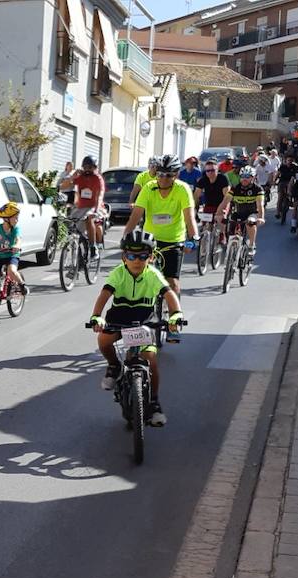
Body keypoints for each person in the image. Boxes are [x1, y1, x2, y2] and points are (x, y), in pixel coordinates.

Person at [88, 226, 183, 428]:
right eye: (131, 255)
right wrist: (97, 316)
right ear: (124, 257)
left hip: (144, 321)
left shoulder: (153, 275)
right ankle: (114, 365)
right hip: (118, 318)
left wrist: (176, 314)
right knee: (103, 341)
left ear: (150, 257)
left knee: (151, 360)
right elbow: (104, 295)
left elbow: (169, 294)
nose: (137, 260)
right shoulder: (118, 273)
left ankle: (154, 403)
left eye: (142, 256)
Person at [121, 154, 197, 302]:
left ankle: (174, 316)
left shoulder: (183, 189)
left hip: (173, 240)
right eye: (160, 174)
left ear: (176, 175)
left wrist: (193, 238)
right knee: (139, 275)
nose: (163, 179)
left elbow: (190, 218)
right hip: (150, 240)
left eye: (169, 175)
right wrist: (125, 238)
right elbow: (135, 216)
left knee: (172, 281)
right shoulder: (149, 188)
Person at [221, 166, 266, 258]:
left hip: (252, 213)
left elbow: (260, 205)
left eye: (247, 176)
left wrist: (261, 217)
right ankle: (232, 251)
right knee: (231, 227)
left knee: (250, 222)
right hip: (239, 213)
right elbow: (225, 202)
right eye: (242, 176)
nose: (244, 179)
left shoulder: (258, 189)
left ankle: (251, 245)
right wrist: (219, 213)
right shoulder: (235, 188)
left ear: (253, 178)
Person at [70, 155, 106, 248]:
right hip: (82, 208)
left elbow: (100, 195)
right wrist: (73, 175)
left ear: (95, 167)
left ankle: (93, 246)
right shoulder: (80, 177)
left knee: (89, 218)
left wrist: (96, 210)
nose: (87, 170)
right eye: (85, 167)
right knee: (72, 221)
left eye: (90, 167)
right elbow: (66, 185)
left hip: (95, 207)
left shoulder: (98, 178)